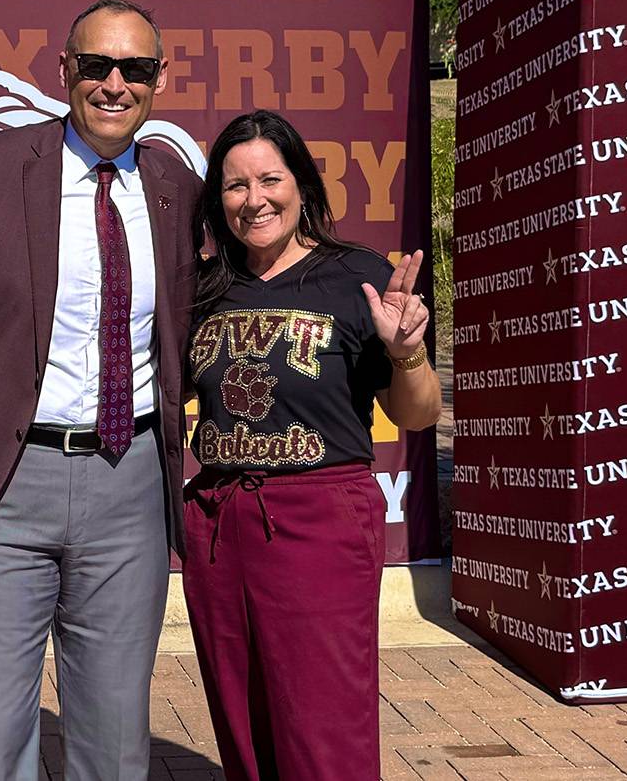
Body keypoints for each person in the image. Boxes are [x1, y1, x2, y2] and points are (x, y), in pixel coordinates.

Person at [0, 0, 204, 780]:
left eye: (133, 69)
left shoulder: (173, 183)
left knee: (114, 738)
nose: (112, 84)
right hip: (2, 478)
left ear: (159, 78)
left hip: (127, 480)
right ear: (63, 70)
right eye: (94, 65)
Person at [183, 110, 441, 780]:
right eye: (235, 186)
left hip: (319, 515)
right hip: (219, 516)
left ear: (301, 186)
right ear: (219, 200)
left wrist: (407, 355)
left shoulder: (357, 277)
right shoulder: (202, 288)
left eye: (270, 178)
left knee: (321, 716)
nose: (254, 198)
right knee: (239, 713)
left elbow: (415, 415)